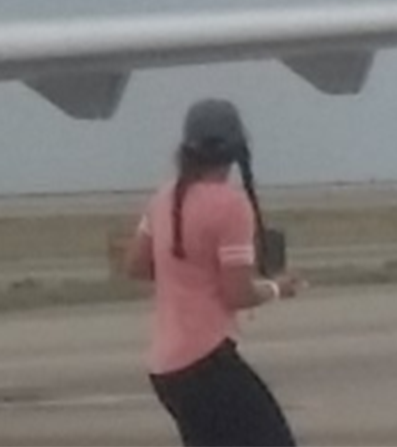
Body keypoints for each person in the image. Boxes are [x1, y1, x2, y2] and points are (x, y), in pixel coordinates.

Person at [124, 97, 304, 447]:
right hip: (207, 361)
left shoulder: (164, 198)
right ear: (236, 148)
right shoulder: (231, 205)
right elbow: (237, 294)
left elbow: (136, 265)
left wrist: (186, 273)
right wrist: (278, 288)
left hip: (166, 368)